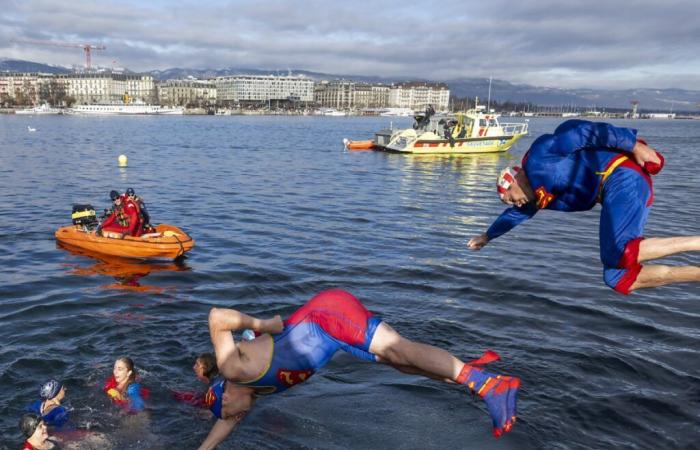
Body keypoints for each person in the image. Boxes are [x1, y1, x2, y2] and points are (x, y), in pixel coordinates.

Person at [199, 289, 520, 449]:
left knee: (398, 349)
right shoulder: (250, 393)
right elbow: (222, 429)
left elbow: (217, 318)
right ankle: (466, 376)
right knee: (402, 364)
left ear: (226, 399)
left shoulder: (233, 370)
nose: (238, 419)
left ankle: (485, 383)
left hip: (328, 316)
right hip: (334, 337)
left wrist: (263, 323)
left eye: (234, 416)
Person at [468, 119, 700, 294]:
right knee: (618, 278)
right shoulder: (538, 198)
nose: (515, 203)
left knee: (620, 252)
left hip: (620, 175)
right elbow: (512, 217)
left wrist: (634, 145)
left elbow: (585, 133)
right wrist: (487, 236)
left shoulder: (539, 156)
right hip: (615, 193)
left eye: (510, 198)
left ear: (514, 180)